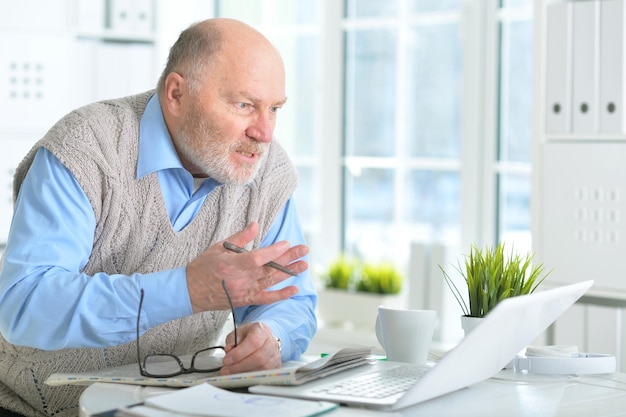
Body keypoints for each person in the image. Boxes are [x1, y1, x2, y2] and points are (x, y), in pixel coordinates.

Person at [0, 18, 317, 417]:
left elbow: (294, 299)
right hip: (32, 407)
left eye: (274, 109)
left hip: (170, 407)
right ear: (176, 93)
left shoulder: (265, 172)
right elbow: (24, 305)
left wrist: (271, 336)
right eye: (244, 105)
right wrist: (186, 290)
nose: (265, 132)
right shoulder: (86, 149)